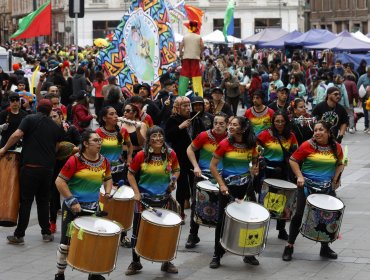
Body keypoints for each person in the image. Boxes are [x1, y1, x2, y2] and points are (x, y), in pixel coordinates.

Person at [0, 99, 63, 245]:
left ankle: (19, 235)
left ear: (37, 108)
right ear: (49, 111)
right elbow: (57, 147)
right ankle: (46, 233)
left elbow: (17, 135)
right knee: (43, 201)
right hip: (47, 169)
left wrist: (4, 149)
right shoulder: (55, 126)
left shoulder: (29, 119)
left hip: (30, 168)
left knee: (26, 201)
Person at [54, 130, 113, 280]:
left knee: (95, 241)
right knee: (65, 244)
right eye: (95, 140)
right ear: (85, 144)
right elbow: (59, 182)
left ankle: (93, 273)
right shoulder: (74, 160)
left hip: (93, 207)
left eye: (100, 140)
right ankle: (60, 274)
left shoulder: (104, 161)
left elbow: (108, 178)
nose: (99, 143)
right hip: (73, 207)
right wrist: (72, 201)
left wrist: (107, 192)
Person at [282, 121, 344, 262]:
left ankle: (325, 248)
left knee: (326, 217)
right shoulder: (307, 145)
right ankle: (289, 246)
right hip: (306, 187)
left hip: (326, 188)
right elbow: (293, 160)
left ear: (328, 132)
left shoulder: (336, 147)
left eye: (321, 130)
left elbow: (340, 163)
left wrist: (336, 178)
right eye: (315, 130)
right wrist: (299, 176)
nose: (317, 133)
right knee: (298, 216)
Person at [125, 126, 180, 276]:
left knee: (166, 232)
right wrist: (136, 192)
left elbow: (176, 169)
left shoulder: (170, 154)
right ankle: (135, 262)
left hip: (164, 199)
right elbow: (130, 175)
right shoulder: (141, 155)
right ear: (149, 139)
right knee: (137, 231)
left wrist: (173, 180)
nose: (158, 138)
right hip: (144, 200)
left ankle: (166, 262)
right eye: (154, 136)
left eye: (160, 135)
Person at [209, 116, 260, 269]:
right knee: (222, 220)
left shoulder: (252, 144)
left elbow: (255, 161)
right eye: (229, 124)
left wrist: (254, 169)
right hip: (228, 188)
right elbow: (213, 166)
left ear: (243, 128)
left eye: (234, 125)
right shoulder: (225, 143)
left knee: (250, 220)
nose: (230, 127)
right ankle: (217, 254)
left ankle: (249, 254)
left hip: (246, 188)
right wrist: (222, 185)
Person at [185, 113, 228, 249]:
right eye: (216, 123)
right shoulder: (204, 135)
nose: (218, 126)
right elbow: (190, 149)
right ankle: (193, 234)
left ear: (227, 125)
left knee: (224, 208)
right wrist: (196, 166)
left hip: (222, 177)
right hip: (202, 175)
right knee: (196, 205)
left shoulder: (231, 138)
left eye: (222, 123)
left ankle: (223, 237)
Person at [257, 111, 298, 240]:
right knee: (265, 200)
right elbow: (256, 150)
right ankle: (262, 229)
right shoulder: (264, 134)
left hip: (283, 171)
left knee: (283, 200)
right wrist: (261, 159)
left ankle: (281, 229)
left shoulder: (290, 136)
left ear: (286, 122)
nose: (279, 124)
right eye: (277, 121)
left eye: (282, 121)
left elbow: (296, 152)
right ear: (273, 122)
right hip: (267, 171)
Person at [49, 108, 81, 234]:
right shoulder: (48, 130)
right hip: (54, 165)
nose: (52, 119)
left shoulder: (71, 129)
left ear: (61, 117)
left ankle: (74, 221)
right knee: (53, 196)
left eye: (55, 116)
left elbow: (80, 145)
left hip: (70, 166)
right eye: (50, 117)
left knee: (70, 194)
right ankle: (52, 222)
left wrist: (72, 151)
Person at [165, 96, 193, 223]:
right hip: (180, 156)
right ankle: (180, 212)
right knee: (181, 184)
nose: (188, 108)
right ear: (177, 108)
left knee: (194, 183)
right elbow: (168, 135)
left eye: (188, 106)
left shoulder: (194, 118)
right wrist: (180, 127)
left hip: (193, 156)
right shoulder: (173, 119)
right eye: (184, 106)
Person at [178, 20, 204, 96]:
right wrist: (201, 54)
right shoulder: (199, 37)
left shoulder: (185, 37)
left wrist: (181, 54)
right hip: (195, 58)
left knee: (184, 76)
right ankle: (199, 95)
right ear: (196, 27)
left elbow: (181, 45)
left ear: (189, 27)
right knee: (196, 77)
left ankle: (181, 95)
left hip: (186, 58)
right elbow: (202, 46)